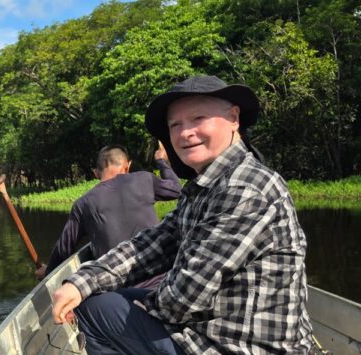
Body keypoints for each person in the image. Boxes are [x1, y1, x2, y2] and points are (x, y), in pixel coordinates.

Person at [51, 75, 317, 354]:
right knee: (96, 298)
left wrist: (131, 302)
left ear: (233, 118)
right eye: (175, 125)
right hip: (216, 326)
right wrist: (85, 281)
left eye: (198, 118)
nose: (185, 133)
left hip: (244, 346)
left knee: (94, 311)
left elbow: (183, 298)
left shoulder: (245, 188)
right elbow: (155, 244)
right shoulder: (206, 185)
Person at [34, 143, 181, 284]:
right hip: (161, 278)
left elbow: (64, 248)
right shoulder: (144, 179)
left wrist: (49, 272)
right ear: (127, 167)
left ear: (96, 173)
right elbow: (176, 189)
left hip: (117, 285)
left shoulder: (83, 203)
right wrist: (161, 161)